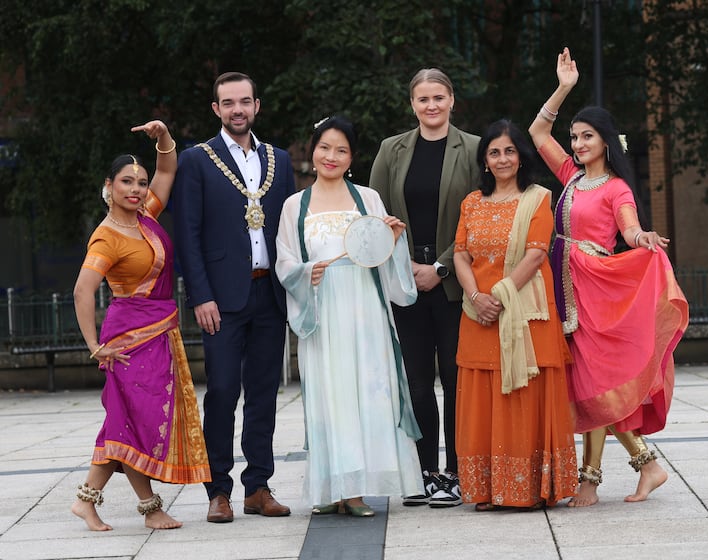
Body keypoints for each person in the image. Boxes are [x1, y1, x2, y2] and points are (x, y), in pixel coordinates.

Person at [528, 48, 689, 507]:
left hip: (596, 285)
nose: (578, 144)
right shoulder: (570, 177)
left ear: (605, 141)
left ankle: (594, 479)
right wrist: (563, 88)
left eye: (586, 137)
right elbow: (538, 131)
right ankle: (640, 468)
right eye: (575, 137)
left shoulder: (615, 187)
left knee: (595, 384)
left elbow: (629, 229)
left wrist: (643, 240)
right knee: (586, 384)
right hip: (564, 284)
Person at [275, 116, 423, 517]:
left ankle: (356, 488)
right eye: (325, 147)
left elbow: (379, 254)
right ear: (313, 150)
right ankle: (330, 485)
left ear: (352, 157)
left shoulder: (368, 199)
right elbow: (285, 262)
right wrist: (307, 273)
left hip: (364, 311)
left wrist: (393, 240)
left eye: (341, 150)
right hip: (323, 312)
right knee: (330, 395)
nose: (331, 156)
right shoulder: (295, 206)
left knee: (366, 391)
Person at [72, 121, 211, 531]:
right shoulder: (107, 236)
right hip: (128, 339)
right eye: (126, 182)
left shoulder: (145, 214)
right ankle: (122, 504)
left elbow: (167, 171)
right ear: (109, 186)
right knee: (130, 420)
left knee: (138, 422)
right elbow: (83, 292)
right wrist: (94, 345)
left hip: (160, 332)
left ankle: (138, 507)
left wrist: (165, 137)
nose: (135, 189)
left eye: (140, 182)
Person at [172, 72, 296, 523]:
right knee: (223, 391)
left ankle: (258, 486)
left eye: (245, 101)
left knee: (264, 392)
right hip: (220, 299)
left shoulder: (279, 160)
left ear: (257, 106)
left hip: (270, 292)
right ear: (216, 109)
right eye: (228, 103)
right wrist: (199, 295)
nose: (237, 109)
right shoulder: (196, 160)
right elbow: (187, 233)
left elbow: (289, 228)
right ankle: (218, 490)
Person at [369, 68, 482, 508]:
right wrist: (408, 264)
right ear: (412, 104)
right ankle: (422, 471)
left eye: (439, 97)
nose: (431, 106)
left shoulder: (473, 149)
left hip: (455, 283)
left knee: (456, 380)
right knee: (415, 381)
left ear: (452, 100)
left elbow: (480, 216)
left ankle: (455, 471)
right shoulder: (390, 150)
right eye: (423, 99)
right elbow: (374, 216)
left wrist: (439, 266)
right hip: (405, 282)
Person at [453, 119, 578, 511]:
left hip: (525, 315)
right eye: (494, 152)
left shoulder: (539, 198)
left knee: (524, 395)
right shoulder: (471, 202)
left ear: (521, 157)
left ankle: (528, 489)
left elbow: (537, 253)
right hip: (478, 315)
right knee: (484, 399)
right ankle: (490, 490)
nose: (502, 158)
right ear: (484, 160)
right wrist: (475, 296)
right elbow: (460, 253)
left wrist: (501, 296)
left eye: (509, 151)